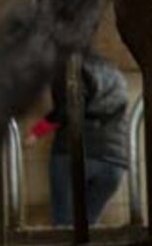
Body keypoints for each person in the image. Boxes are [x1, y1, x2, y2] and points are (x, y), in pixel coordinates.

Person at [29, 50, 130, 226]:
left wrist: (37, 131)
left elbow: (68, 108)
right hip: (115, 162)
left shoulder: (69, 67)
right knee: (89, 226)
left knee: (65, 224)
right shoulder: (115, 72)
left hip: (75, 155)